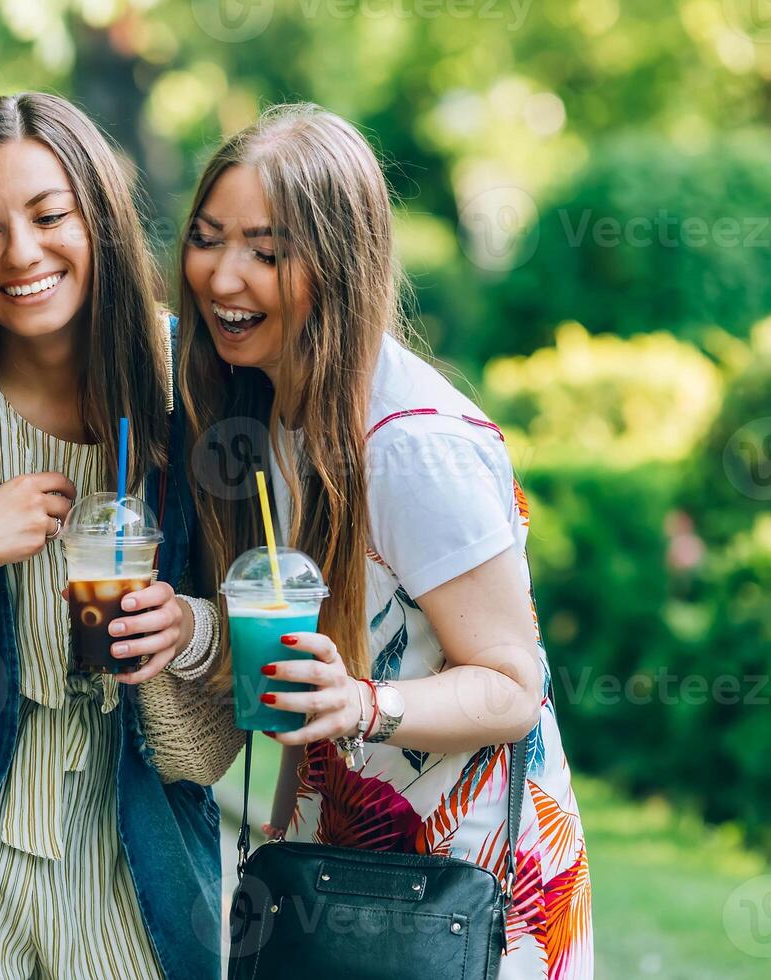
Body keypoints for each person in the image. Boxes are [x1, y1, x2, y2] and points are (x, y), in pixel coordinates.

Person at [179, 103, 593, 978]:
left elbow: (513, 685)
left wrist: (364, 706)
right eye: (209, 239)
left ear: (336, 263)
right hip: (343, 881)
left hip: (466, 898)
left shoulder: (411, 445)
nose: (222, 276)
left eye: (266, 250)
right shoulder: (273, 410)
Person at [0, 92, 222, 980]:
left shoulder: (192, 389)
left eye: (49, 215)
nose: (20, 254)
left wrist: (189, 628)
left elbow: (254, 624)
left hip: (131, 844)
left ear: (97, 216)